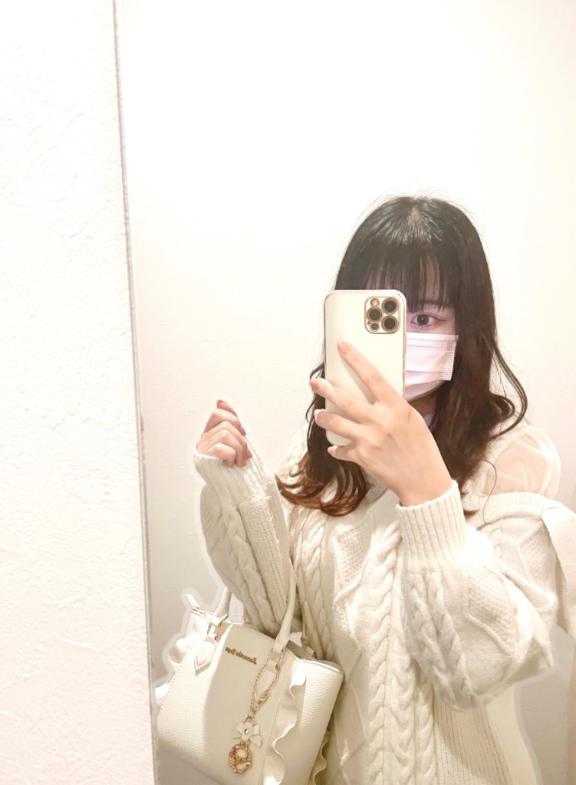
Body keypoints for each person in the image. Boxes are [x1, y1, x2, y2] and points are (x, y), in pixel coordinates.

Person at [191, 195, 576, 785]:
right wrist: (237, 488)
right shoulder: (319, 454)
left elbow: (479, 671)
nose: (400, 339)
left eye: (424, 319)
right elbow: (277, 624)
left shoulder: (511, 460)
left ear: (465, 327)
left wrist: (426, 492)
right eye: (381, 315)